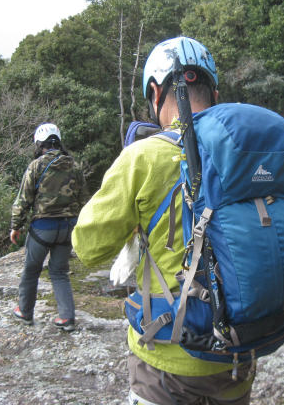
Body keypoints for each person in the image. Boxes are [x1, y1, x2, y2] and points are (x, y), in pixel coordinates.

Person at [72, 37, 255, 404]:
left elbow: (88, 247)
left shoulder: (143, 156)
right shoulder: (248, 153)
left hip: (166, 358)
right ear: (214, 92)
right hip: (238, 350)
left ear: (156, 91)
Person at [10, 122, 89, 332]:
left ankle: (25, 312)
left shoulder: (35, 166)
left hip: (43, 227)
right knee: (59, 272)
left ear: (39, 144)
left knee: (31, 270)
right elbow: (84, 201)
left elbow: (23, 200)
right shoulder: (74, 166)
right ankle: (67, 318)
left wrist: (16, 226)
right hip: (68, 228)